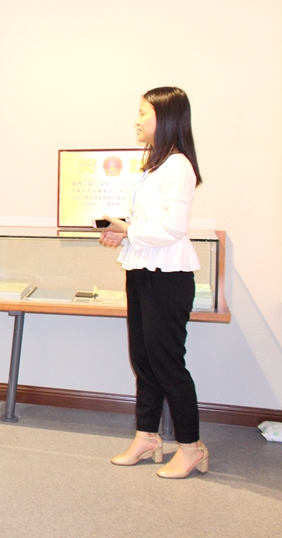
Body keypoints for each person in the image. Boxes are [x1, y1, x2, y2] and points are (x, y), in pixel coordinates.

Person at [100, 86, 207, 479]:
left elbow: (172, 229)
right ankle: (147, 436)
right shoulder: (155, 166)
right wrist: (123, 233)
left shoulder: (178, 166)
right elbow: (149, 226)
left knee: (167, 365)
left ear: (165, 118)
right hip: (142, 272)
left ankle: (192, 446)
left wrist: (128, 230)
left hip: (168, 279)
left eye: (143, 112)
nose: (137, 120)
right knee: (144, 361)